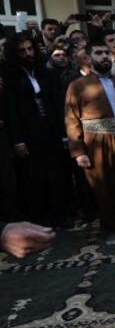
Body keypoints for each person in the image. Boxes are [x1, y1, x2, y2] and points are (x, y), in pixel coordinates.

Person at [65, 37, 115, 240]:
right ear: (89, 58)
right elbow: (71, 119)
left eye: (106, 53)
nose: (104, 56)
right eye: (99, 53)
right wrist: (79, 152)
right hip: (96, 143)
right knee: (103, 189)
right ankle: (112, 228)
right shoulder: (78, 85)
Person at [5, 32, 67, 227]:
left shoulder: (44, 72)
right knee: (34, 177)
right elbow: (11, 111)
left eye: (30, 48)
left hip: (50, 129)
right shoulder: (10, 77)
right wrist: (17, 140)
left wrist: (64, 134)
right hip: (28, 132)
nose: (28, 54)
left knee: (55, 172)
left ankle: (59, 214)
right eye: (22, 51)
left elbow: (57, 104)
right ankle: (39, 217)